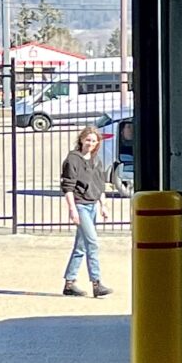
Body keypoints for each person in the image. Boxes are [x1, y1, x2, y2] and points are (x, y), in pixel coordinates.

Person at [60, 126, 112, 297]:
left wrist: (103, 205)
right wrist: (72, 209)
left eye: (94, 141)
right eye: (88, 140)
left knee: (80, 246)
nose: (90, 143)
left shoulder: (96, 161)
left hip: (92, 206)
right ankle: (96, 283)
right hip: (80, 205)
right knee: (92, 243)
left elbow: (100, 185)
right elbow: (68, 187)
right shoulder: (72, 160)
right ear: (81, 139)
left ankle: (69, 282)